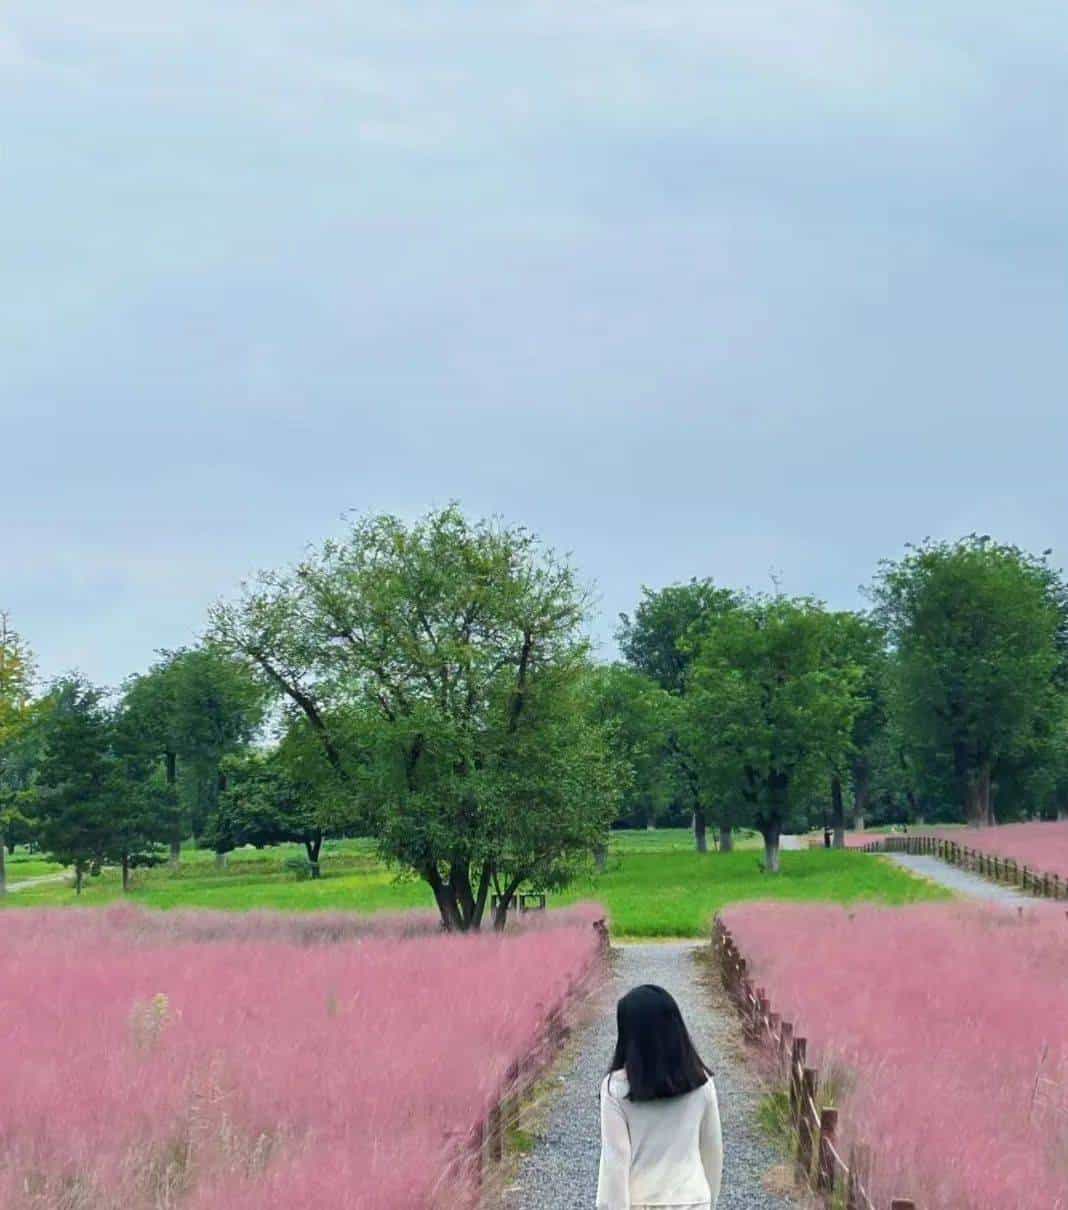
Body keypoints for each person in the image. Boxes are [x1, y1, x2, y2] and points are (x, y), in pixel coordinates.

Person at [597, 984, 723, 1209]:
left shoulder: (615, 1088)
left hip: (641, 1201)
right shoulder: (701, 1082)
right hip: (693, 1198)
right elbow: (712, 1149)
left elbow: (615, 1162)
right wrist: (710, 1201)